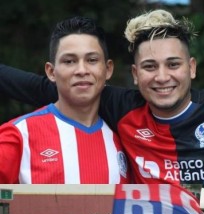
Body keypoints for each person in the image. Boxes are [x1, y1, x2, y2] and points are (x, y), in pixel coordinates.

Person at [0, 9, 204, 186]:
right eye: (150, 67)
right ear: (135, 74)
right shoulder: (120, 107)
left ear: (192, 67)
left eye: (173, 64)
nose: (162, 77)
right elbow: (46, 87)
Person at [0, 16, 128, 184]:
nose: (82, 70)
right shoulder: (18, 135)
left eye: (92, 60)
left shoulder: (126, 140)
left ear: (108, 69)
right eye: (69, 61)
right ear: (51, 72)